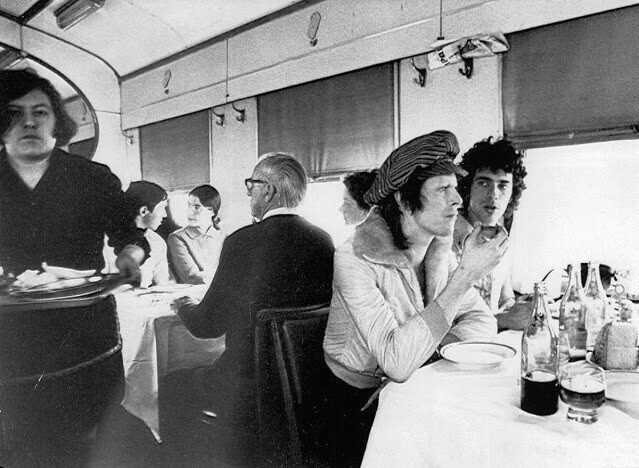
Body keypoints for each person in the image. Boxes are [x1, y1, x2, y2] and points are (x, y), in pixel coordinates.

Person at [323, 130, 504, 466]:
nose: (458, 200)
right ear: (404, 201)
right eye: (442, 189)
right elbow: (396, 362)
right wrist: (466, 276)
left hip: (412, 388)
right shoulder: (353, 258)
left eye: (455, 187)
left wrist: (433, 348)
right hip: (354, 404)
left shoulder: (439, 248)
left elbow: (482, 320)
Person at [0, 70, 149, 464]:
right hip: (10, 346)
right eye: (13, 113)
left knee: (87, 448)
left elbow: (132, 236)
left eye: (40, 112)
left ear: (57, 120)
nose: (29, 122)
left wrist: (129, 258)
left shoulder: (92, 178)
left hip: (85, 342)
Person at [171, 152, 334, 464]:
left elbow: (207, 326)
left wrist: (184, 306)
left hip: (246, 382)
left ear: (268, 191)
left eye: (251, 185)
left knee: (172, 382)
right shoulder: (323, 240)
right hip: (307, 382)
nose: (249, 194)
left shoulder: (241, 242)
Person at [454, 137, 529, 330]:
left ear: (512, 193)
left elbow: (505, 300)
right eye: (483, 183)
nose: (494, 194)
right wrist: (504, 320)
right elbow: (443, 321)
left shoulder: (500, 239)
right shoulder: (446, 241)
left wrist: (524, 307)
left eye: (503, 185)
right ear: (467, 188)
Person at [168, 184, 226, 284]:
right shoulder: (177, 237)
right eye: (189, 206)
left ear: (211, 211)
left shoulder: (224, 237)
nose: (189, 212)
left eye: (196, 207)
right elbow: (191, 276)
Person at [124, 180, 171, 288]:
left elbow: (162, 284)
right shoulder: (110, 241)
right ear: (143, 211)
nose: (164, 215)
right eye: (162, 208)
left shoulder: (157, 242)